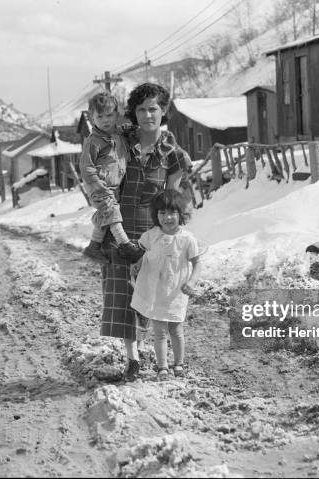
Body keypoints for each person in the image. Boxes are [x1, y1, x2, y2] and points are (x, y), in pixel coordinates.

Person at [99, 82, 191, 381]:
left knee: (150, 295)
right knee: (123, 295)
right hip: (119, 227)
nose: (147, 115)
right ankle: (133, 359)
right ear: (133, 113)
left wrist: (167, 240)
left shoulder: (173, 155)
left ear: (164, 111)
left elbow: (169, 202)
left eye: (153, 108)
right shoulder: (120, 143)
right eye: (141, 109)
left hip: (151, 233)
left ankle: (164, 358)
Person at [130, 190, 202, 380]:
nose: (167, 217)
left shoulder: (187, 239)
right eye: (162, 213)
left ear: (181, 214)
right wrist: (136, 265)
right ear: (156, 215)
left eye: (172, 212)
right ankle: (162, 367)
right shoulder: (151, 235)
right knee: (160, 331)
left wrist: (192, 282)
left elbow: (197, 263)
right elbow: (141, 254)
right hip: (156, 291)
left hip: (176, 292)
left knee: (176, 329)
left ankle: (178, 363)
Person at [80, 92, 138, 263]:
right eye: (100, 116)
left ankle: (93, 247)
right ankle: (125, 244)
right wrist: (97, 184)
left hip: (113, 186)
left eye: (109, 115)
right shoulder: (93, 141)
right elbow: (86, 166)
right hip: (99, 186)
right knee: (112, 211)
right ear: (91, 118)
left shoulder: (118, 135)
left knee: (106, 213)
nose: (105, 120)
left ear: (116, 115)